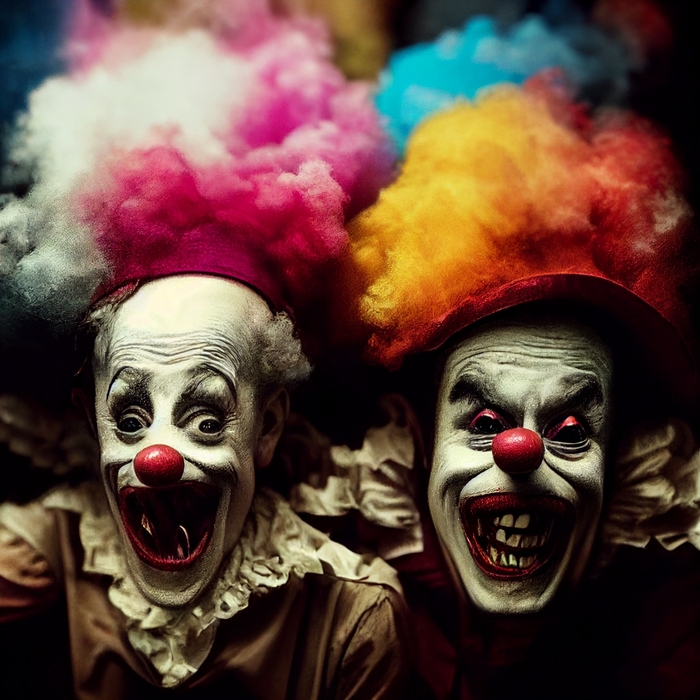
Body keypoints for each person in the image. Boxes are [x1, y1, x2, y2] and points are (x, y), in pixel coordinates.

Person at [0, 2, 412, 697]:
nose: (156, 457)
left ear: (268, 426)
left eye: (207, 418)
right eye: (130, 418)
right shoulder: (62, 540)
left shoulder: (352, 617)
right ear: (91, 417)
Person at [336, 71, 700, 699]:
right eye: (484, 424)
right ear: (418, 445)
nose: (520, 450)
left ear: (622, 463)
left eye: (570, 430)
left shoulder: (672, 636)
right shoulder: (339, 622)